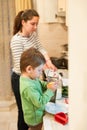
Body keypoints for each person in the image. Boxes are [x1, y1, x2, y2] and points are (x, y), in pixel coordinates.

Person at [10, 9, 56, 130]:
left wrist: (48, 61)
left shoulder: (32, 35)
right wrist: (40, 68)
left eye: (37, 24)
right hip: (20, 77)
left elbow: (40, 48)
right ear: (23, 22)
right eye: (32, 24)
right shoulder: (16, 40)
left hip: (30, 75)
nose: (35, 27)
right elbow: (22, 66)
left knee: (31, 108)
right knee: (24, 111)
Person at [20, 47, 57, 130]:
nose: (41, 73)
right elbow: (40, 102)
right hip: (35, 119)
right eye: (40, 70)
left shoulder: (31, 77)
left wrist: (47, 85)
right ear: (29, 69)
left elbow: (39, 83)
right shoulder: (28, 87)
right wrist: (50, 91)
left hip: (37, 115)